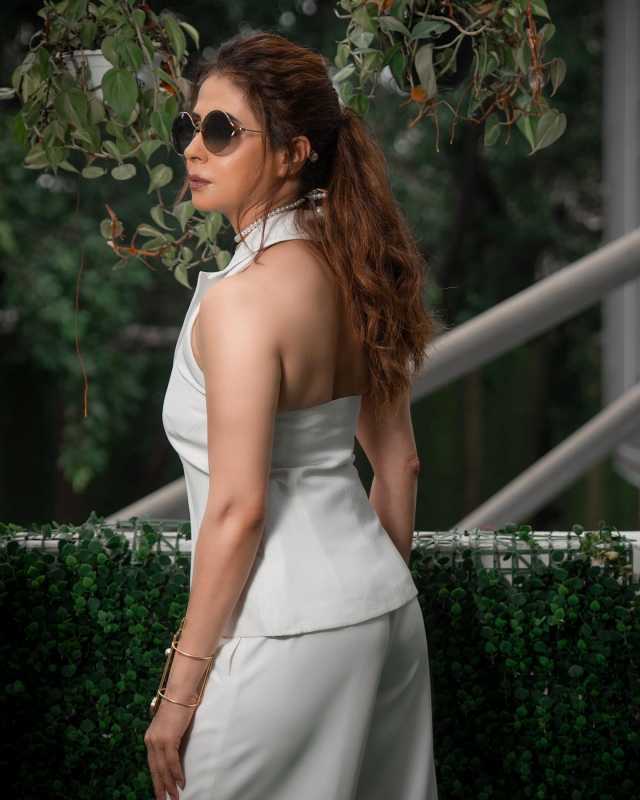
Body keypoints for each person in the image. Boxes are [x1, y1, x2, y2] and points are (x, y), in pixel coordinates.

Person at [145, 29, 441, 800]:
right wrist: (366, 598)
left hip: (281, 631)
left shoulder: (243, 303)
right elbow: (401, 466)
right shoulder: (358, 275)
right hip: (386, 612)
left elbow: (238, 510)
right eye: (190, 127)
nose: (194, 149)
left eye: (222, 131)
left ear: (291, 153)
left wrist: (177, 695)